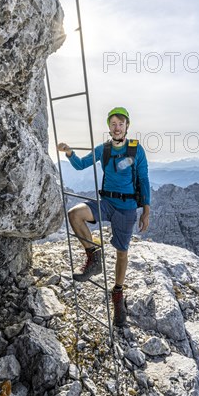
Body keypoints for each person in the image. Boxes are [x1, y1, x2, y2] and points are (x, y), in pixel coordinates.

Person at [57, 107, 150, 327]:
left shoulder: (136, 150)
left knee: (122, 253)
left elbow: (144, 179)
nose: (117, 128)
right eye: (113, 124)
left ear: (127, 126)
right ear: (108, 127)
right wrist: (69, 151)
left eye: (121, 124)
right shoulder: (103, 149)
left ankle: (117, 295)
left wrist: (146, 210)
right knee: (75, 214)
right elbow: (81, 165)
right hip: (107, 203)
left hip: (127, 207)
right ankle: (94, 257)